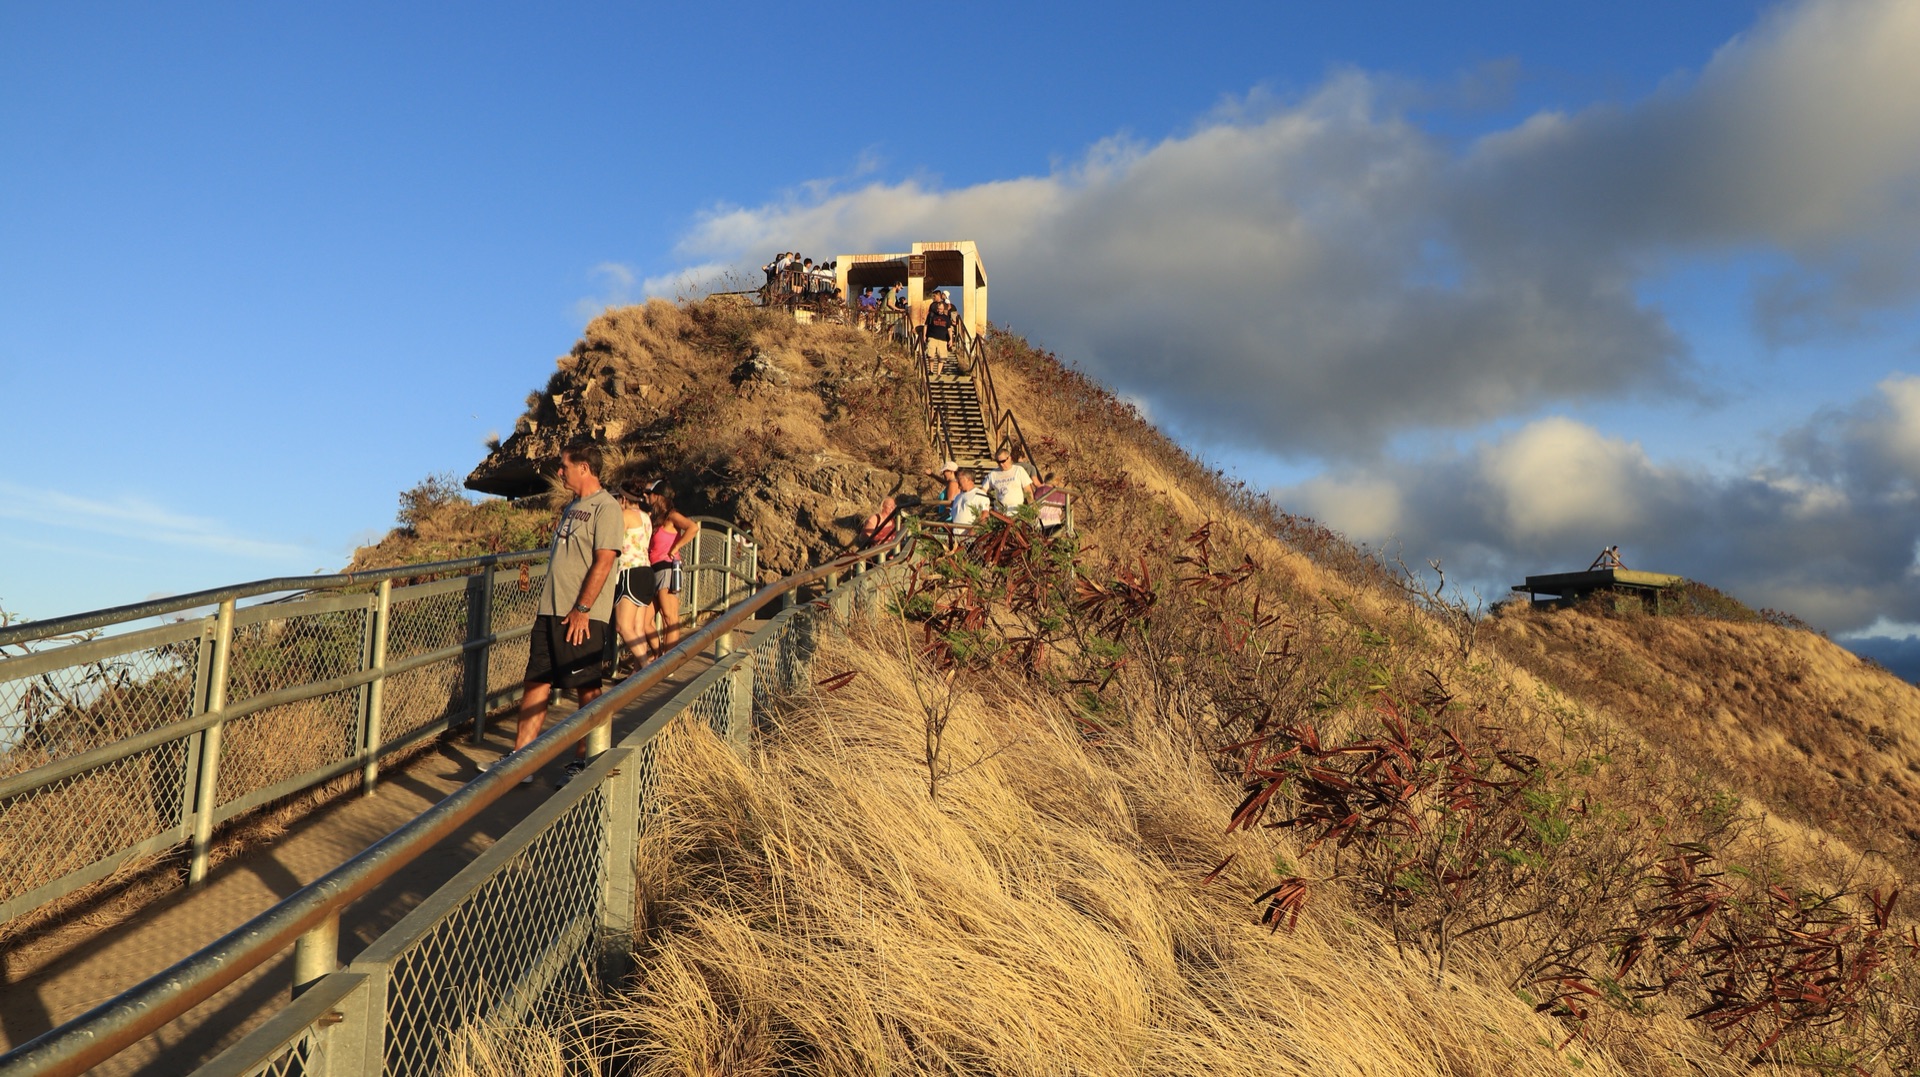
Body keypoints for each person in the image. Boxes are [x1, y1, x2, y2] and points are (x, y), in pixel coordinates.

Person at [491, 437, 621, 786]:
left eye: (564, 465)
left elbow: (605, 561)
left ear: (584, 467)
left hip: (581, 615)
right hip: (550, 609)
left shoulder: (606, 507)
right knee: (536, 680)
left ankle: (587, 759)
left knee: (586, 686)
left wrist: (582, 608)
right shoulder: (570, 507)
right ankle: (523, 760)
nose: (559, 471)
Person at [644, 481, 701, 654]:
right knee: (644, 621)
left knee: (670, 617)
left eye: (650, 492)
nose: (647, 496)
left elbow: (693, 527)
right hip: (652, 570)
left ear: (658, 495)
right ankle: (658, 656)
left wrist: (676, 548)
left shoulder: (671, 515)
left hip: (667, 568)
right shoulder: (654, 518)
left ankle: (668, 662)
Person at [611, 479, 657, 675]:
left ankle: (647, 668)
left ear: (622, 498)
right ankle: (638, 678)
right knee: (638, 629)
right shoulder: (646, 517)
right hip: (646, 571)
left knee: (623, 626)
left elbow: (612, 541)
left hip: (630, 571)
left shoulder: (625, 515)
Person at [982, 447, 1033, 512]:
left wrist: (1031, 507)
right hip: (1000, 513)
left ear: (1009, 458)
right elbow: (983, 491)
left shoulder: (1019, 470)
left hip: (1017, 512)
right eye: (998, 462)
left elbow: (1028, 491)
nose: (1001, 464)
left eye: (1003, 461)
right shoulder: (993, 474)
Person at [923, 291, 955, 372]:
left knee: (942, 357)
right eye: (939, 309)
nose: (940, 310)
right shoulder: (931, 316)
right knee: (931, 355)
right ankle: (931, 370)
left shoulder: (946, 318)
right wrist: (924, 335)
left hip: (943, 339)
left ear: (943, 309)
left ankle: (938, 373)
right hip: (932, 337)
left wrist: (951, 339)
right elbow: (926, 325)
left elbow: (949, 328)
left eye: (941, 309)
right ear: (937, 308)